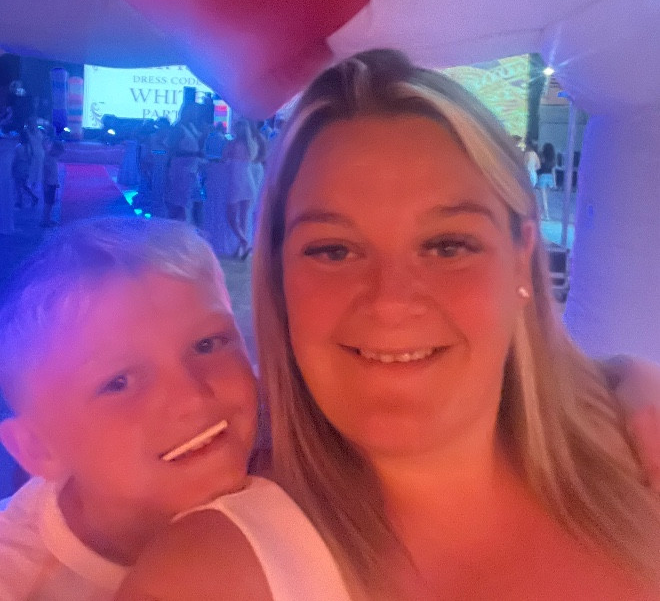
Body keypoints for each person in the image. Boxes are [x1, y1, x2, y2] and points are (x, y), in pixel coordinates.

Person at [119, 51, 660, 600]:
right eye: (333, 250)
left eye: (447, 246)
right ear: (279, 279)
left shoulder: (637, 454)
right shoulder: (206, 579)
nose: (391, 301)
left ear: (521, 260)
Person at [0, 217, 349, 601]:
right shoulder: (20, 580)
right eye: (119, 382)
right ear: (38, 448)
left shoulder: (307, 437)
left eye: (207, 345)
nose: (191, 398)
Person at [224, 118, 258, 259]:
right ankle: (242, 248)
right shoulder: (251, 145)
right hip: (248, 180)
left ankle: (243, 242)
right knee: (244, 217)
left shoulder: (233, 144)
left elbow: (223, 157)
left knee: (231, 216)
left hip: (236, 180)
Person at [164, 103, 205, 221]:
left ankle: (191, 224)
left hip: (193, 167)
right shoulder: (178, 128)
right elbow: (171, 148)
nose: (196, 114)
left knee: (195, 199)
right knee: (181, 200)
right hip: (181, 167)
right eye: (193, 112)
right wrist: (191, 153)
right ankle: (180, 224)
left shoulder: (192, 127)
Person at [11, 130, 38, 208]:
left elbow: (15, 160)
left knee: (18, 185)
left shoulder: (18, 147)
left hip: (19, 167)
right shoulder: (29, 147)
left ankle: (19, 201)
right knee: (24, 185)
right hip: (26, 168)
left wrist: (12, 169)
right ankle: (33, 197)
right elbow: (31, 159)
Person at [40, 139, 64, 226]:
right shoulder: (48, 158)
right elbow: (46, 172)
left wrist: (56, 182)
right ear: (55, 149)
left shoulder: (53, 158)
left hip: (52, 183)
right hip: (49, 184)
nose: (59, 155)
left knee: (50, 203)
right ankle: (45, 221)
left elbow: (54, 172)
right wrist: (45, 184)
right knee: (48, 203)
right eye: (59, 152)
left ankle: (47, 219)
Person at [537, 142, 556, 219]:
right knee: (545, 198)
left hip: (542, 178)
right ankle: (541, 214)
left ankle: (547, 215)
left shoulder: (542, 158)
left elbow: (538, 168)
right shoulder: (552, 160)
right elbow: (553, 172)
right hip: (550, 178)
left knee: (543, 198)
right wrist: (554, 183)